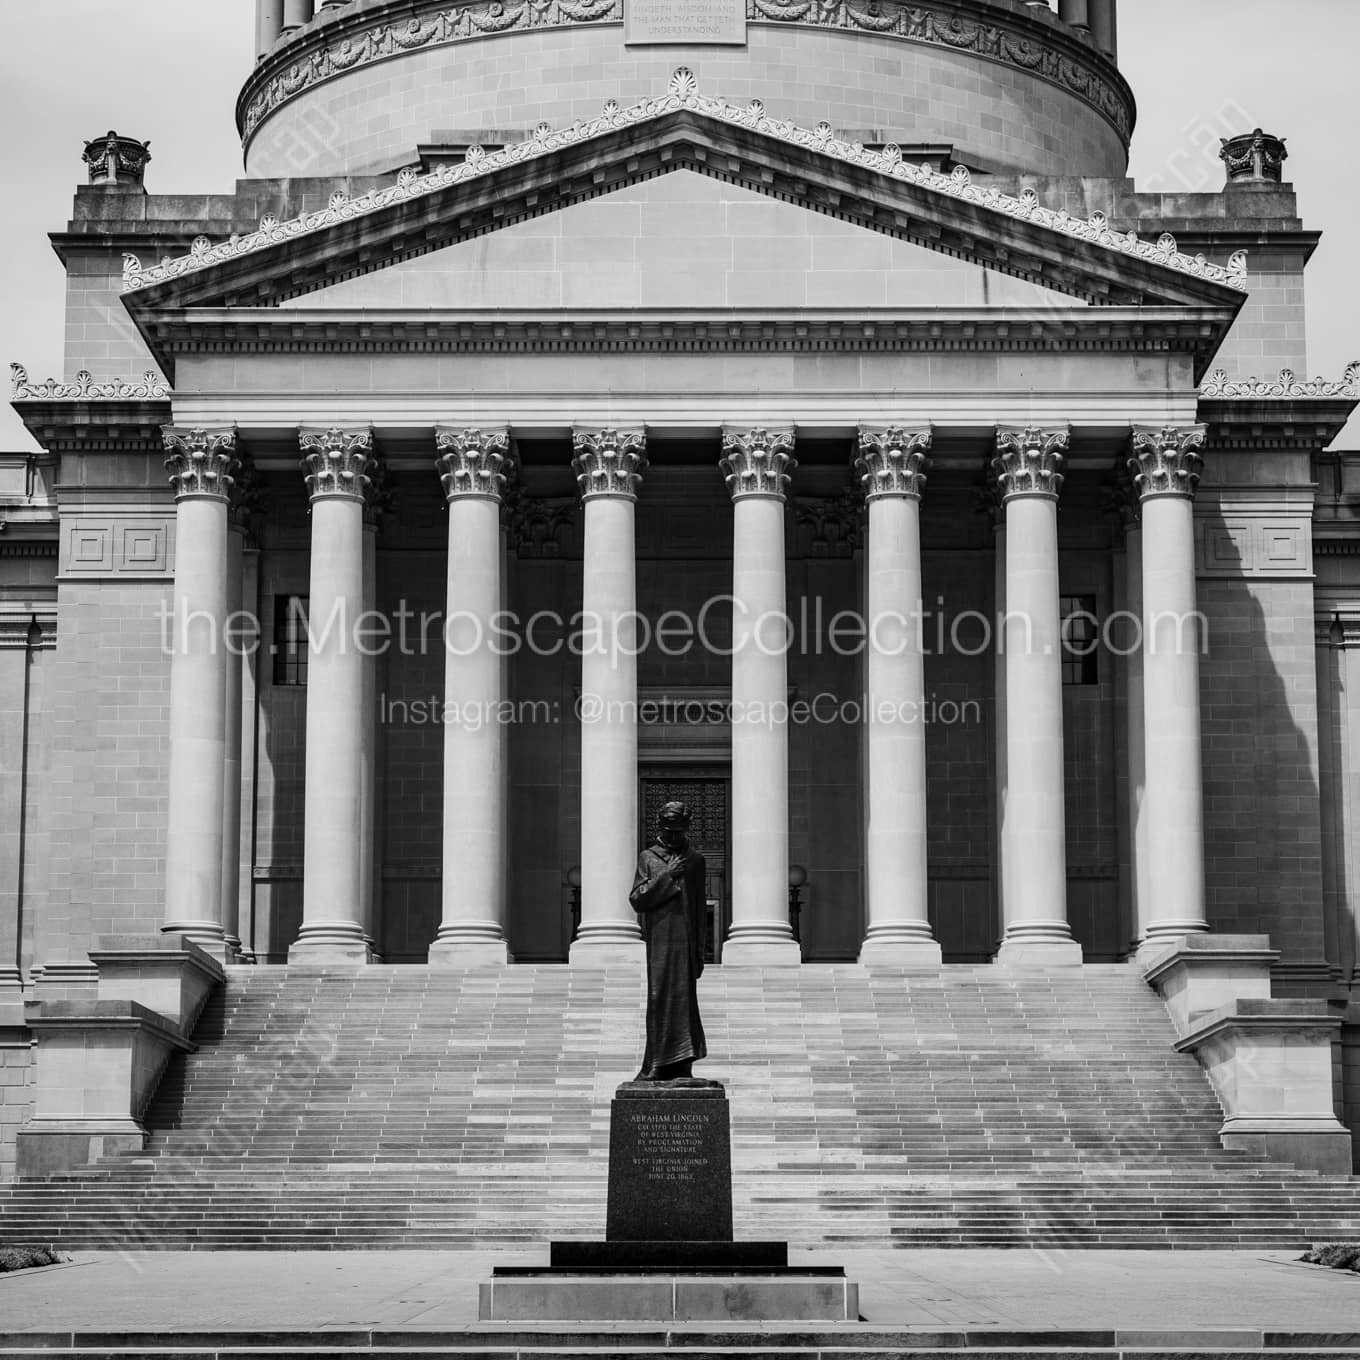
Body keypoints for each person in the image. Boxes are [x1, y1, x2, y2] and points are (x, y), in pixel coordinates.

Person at [628, 801, 709, 1082]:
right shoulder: (649, 857)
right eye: (669, 831)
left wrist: (700, 952)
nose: (673, 837)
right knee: (659, 997)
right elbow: (638, 900)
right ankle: (657, 1063)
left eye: (678, 831)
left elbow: (699, 908)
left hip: (685, 942)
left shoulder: (696, 860)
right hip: (661, 941)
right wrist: (668, 874)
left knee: (684, 1002)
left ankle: (683, 1064)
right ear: (660, 828)